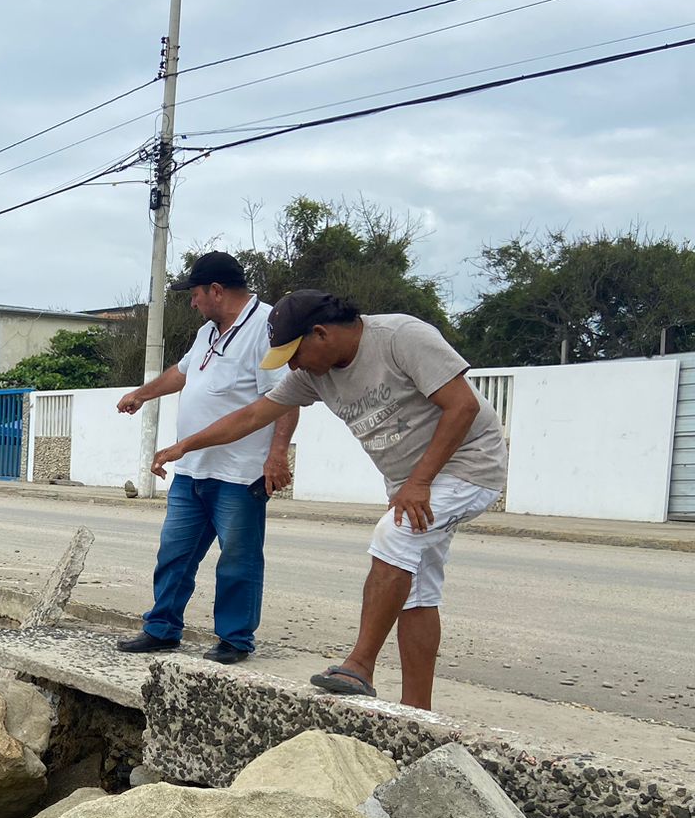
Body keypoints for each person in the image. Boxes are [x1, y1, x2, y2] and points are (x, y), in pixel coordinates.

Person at [150, 289, 508, 710]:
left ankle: (358, 665)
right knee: (417, 592)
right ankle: (418, 711)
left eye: (294, 353)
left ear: (320, 334)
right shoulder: (311, 374)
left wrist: (420, 482)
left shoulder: (400, 337)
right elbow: (251, 416)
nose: (293, 365)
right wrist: (185, 445)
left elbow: (462, 406)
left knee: (395, 538)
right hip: (412, 483)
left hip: (468, 466)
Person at [115, 251, 298, 664]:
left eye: (195, 294)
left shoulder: (266, 328)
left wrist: (277, 455)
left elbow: (286, 399)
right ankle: (162, 629)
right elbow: (184, 372)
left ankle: (235, 639)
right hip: (194, 470)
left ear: (216, 290)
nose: (193, 302)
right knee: (174, 553)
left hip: (240, 473)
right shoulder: (208, 332)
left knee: (238, 558)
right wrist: (142, 394)